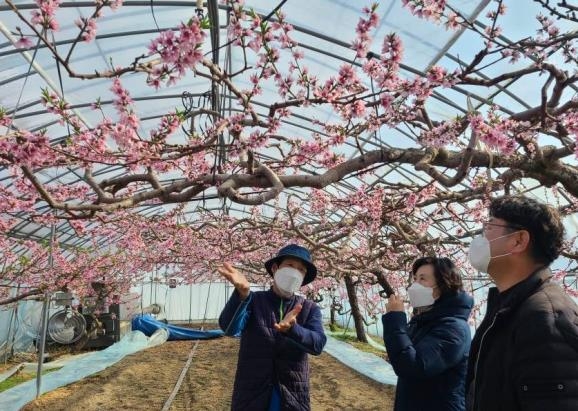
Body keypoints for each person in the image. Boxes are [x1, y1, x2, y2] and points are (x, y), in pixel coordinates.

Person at [465, 195, 578, 411]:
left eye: (488, 227)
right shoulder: (509, 308)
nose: (480, 237)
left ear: (518, 241)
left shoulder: (544, 320)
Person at [218, 244, 327, 411]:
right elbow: (229, 328)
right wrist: (242, 295)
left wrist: (293, 330)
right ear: (275, 268)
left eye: (301, 270)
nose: (295, 272)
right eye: (290, 265)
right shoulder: (254, 301)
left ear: (304, 278)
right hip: (252, 394)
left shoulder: (309, 308)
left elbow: (318, 344)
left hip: (293, 394)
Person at [382, 256, 474, 411]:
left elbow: (413, 367)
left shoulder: (453, 329)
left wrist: (395, 321)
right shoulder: (423, 320)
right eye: (415, 279)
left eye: (422, 279)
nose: (414, 285)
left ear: (443, 285)